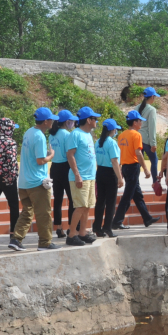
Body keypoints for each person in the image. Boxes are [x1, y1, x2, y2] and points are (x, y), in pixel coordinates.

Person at [10, 108, 59, 252]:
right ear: (46, 121)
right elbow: (40, 160)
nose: (53, 121)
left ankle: (16, 239)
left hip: (24, 182)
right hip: (36, 183)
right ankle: (45, 243)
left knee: (27, 211)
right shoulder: (39, 136)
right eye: (51, 119)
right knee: (44, 213)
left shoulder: (29, 132)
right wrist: (51, 155)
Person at [112, 110, 159, 230]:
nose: (141, 123)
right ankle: (117, 220)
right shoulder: (137, 135)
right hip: (133, 167)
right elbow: (138, 153)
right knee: (128, 195)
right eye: (140, 121)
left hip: (125, 167)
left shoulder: (122, 135)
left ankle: (147, 218)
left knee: (137, 195)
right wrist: (146, 169)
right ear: (135, 122)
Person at [65, 106, 100, 247]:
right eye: (95, 119)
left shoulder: (88, 135)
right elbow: (70, 155)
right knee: (80, 206)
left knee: (87, 206)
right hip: (80, 177)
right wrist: (77, 175)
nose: (96, 121)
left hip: (90, 176)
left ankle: (83, 233)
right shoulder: (76, 134)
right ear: (88, 120)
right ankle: (72, 234)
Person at [49, 110, 78, 239]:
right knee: (72, 199)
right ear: (67, 122)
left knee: (58, 199)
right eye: (70, 120)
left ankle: (59, 227)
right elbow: (70, 153)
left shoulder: (51, 135)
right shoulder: (67, 134)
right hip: (65, 167)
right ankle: (72, 226)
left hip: (54, 167)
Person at [93, 119, 124, 238]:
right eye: (115, 129)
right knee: (110, 202)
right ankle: (107, 227)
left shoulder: (98, 142)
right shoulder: (111, 143)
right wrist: (120, 178)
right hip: (110, 173)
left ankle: (97, 227)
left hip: (100, 171)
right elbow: (115, 161)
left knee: (100, 201)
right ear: (112, 130)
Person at [135, 87, 160, 182]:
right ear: (152, 97)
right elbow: (152, 127)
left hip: (137, 139)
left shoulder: (137, 107)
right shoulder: (152, 109)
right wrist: (153, 143)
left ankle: (136, 185)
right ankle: (155, 183)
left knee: (137, 163)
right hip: (146, 140)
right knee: (154, 161)